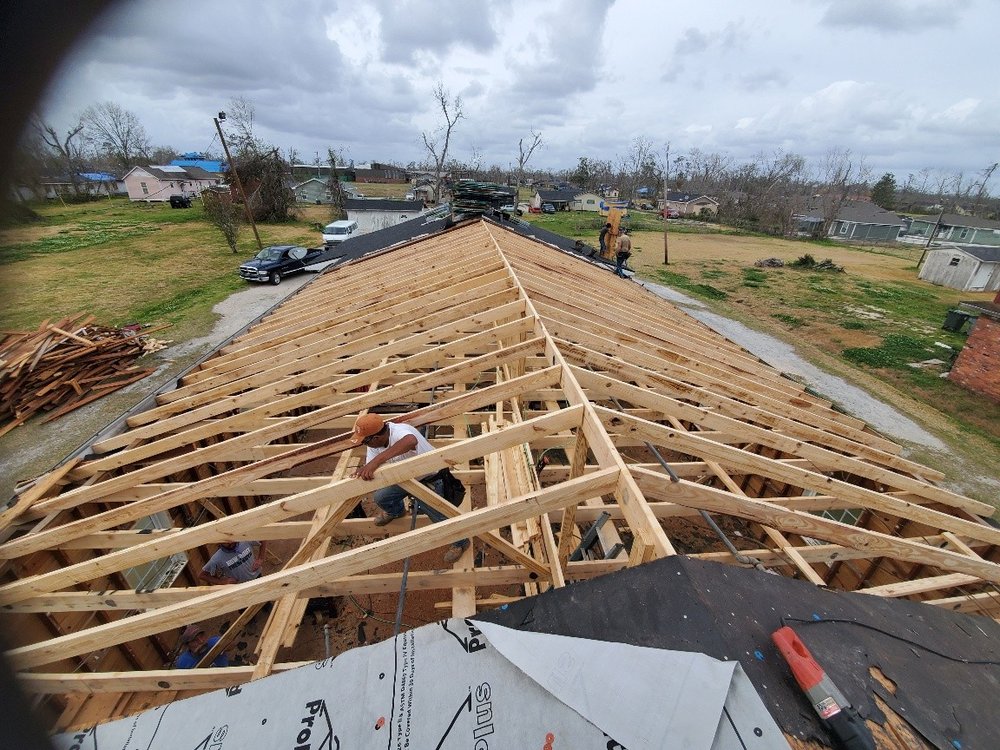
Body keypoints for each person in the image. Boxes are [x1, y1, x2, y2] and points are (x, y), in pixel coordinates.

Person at [350, 413, 469, 564]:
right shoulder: (374, 444)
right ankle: (397, 511)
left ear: (375, 438)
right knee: (382, 498)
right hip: (404, 479)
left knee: (437, 514)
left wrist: (377, 461)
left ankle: (461, 542)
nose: (364, 445)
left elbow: (410, 441)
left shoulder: (400, 431)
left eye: (365, 442)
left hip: (429, 478)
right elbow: (372, 466)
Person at [199, 540, 266, 585]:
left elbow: (264, 539)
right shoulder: (217, 558)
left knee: (266, 602)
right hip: (240, 587)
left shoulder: (245, 540)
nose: (230, 543)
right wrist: (221, 582)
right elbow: (202, 575)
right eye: (226, 542)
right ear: (219, 543)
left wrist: (261, 558)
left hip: (257, 578)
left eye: (231, 540)